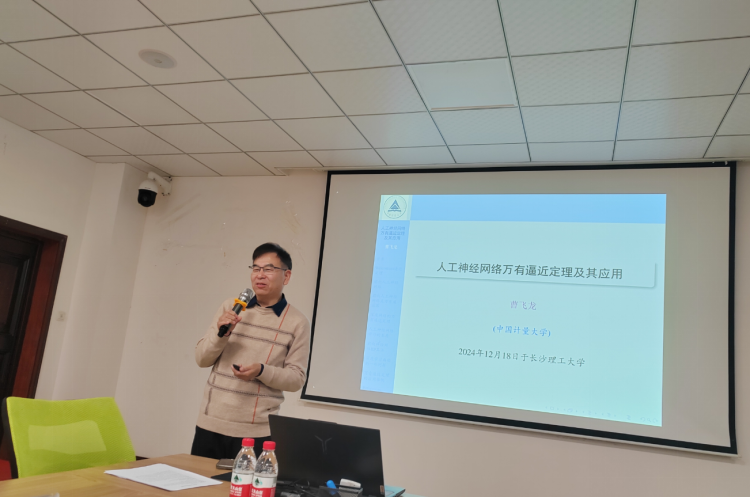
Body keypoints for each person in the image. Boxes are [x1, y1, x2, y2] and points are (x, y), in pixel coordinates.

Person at [190, 243, 311, 459]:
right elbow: (201, 359)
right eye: (256, 268)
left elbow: (296, 379)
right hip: (210, 424)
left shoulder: (297, 322)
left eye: (268, 269)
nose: (260, 275)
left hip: (256, 433)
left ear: (286, 276)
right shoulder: (231, 307)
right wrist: (221, 335)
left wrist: (261, 371)